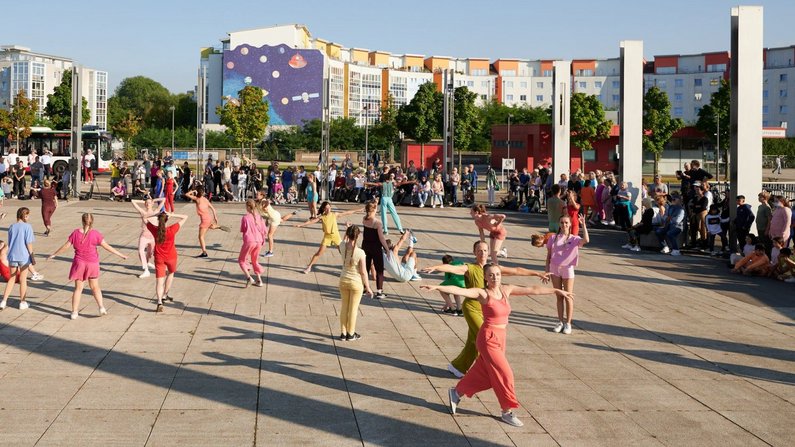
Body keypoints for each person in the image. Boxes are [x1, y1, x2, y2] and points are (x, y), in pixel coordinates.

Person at [421, 265, 573, 427]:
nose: (495, 278)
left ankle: (456, 392)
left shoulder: (506, 290)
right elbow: (461, 291)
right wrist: (438, 286)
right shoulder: (483, 294)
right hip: (488, 338)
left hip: (501, 337)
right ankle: (506, 411)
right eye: (491, 275)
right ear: (485, 277)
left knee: (485, 374)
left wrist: (556, 291)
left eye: (498, 274)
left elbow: (532, 289)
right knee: (505, 374)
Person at [421, 241, 550, 377]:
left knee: (473, 341)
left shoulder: (493, 269)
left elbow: (517, 270)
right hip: (471, 308)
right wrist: (436, 268)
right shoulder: (469, 268)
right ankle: (488, 371)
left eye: (484, 250)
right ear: (474, 252)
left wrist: (536, 273)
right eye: (479, 250)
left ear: (488, 252)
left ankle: (457, 367)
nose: (482, 253)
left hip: (487, 311)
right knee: (485, 340)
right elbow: (453, 269)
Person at [47, 213, 127, 320]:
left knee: (78, 289)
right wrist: (120, 255)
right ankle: (101, 307)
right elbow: (107, 246)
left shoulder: (75, 233)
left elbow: (66, 246)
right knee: (95, 287)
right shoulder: (95, 234)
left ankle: (74, 312)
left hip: (79, 263)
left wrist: (54, 254)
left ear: (82, 221)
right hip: (93, 263)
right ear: (92, 221)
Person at [545, 214, 589, 335]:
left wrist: (583, 225)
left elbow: (586, 240)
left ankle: (568, 323)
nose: (564, 225)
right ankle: (560, 321)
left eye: (566, 223)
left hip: (568, 269)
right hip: (554, 268)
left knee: (568, 296)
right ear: (559, 224)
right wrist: (546, 270)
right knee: (559, 296)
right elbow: (548, 255)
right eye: (562, 223)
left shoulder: (574, 239)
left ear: (570, 224)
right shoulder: (553, 238)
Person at [296, 202, 362, 274]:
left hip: (335, 236)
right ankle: (309, 267)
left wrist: (358, 210)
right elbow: (312, 221)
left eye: (329, 208)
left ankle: (350, 267)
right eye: (326, 208)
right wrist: (301, 225)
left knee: (343, 252)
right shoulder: (322, 217)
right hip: (327, 237)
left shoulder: (334, 214)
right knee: (319, 253)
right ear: (324, 209)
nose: (328, 209)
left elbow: (347, 212)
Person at [146, 212, 189, 312]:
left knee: (159, 281)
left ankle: (159, 302)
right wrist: (171, 214)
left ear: (158, 219)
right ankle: (165, 294)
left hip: (159, 258)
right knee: (170, 274)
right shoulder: (171, 229)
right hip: (171, 256)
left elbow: (144, 217)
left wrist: (156, 214)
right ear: (166, 220)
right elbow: (185, 216)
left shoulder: (154, 230)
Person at [338, 225, 373, 341]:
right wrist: (367, 287)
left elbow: (342, 242)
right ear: (358, 236)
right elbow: (363, 272)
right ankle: (351, 333)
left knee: (344, 307)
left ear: (347, 235)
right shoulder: (360, 252)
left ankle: (343, 333)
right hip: (356, 283)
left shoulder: (342, 246)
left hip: (343, 280)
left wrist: (347, 231)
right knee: (353, 309)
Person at [0, 208, 36, 310]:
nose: (28, 218)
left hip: (12, 255)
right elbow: (28, 243)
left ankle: (4, 301)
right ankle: (22, 302)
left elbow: (11, 241)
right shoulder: (27, 227)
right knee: (23, 279)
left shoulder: (12, 227)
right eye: (27, 216)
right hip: (23, 256)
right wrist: (31, 255)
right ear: (24, 216)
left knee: (12, 278)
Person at [185, 186, 230, 258]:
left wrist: (193, 191)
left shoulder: (197, 199)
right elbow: (213, 208)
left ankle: (204, 252)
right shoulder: (205, 199)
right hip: (209, 218)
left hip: (204, 220)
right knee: (209, 226)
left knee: (201, 237)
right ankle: (217, 226)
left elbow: (186, 194)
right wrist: (215, 217)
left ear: (197, 192)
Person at [360, 200, 390, 299]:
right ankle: (379, 292)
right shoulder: (377, 223)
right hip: (375, 247)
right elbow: (381, 238)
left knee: (366, 267)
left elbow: (371, 209)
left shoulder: (364, 219)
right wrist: (387, 249)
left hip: (365, 246)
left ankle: (364, 289)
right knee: (379, 269)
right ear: (374, 210)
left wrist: (375, 203)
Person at [256, 192, 299, 257]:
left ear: (262, 195)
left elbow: (266, 203)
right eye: (256, 194)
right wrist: (267, 220)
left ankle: (270, 252)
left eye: (258, 194)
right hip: (275, 214)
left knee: (270, 235)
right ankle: (293, 213)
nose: (256, 195)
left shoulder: (263, 201)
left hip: (274, 218)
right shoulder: (260, 201)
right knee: (282, 220)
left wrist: (265, 206)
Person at [132, 198, 166, 278]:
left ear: (152, 204)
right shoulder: (143, 212)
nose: (148, 204)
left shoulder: (156, 211)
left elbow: (163, 199)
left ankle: (147, 263)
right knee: (140, 251)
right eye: (146, 203)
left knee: (150, 253)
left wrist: (154, 200)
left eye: (149, 203)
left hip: (153, 237)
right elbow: (133, 201)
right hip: (144, 235)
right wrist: (143, 201)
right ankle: (146, 270)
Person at [239, 199, 267, 287]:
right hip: (259, 241)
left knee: (242, 260)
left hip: (249, 241)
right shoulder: (260, 217)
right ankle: (259, 280)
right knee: (255, 260)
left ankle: (249, 277)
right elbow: (264, 230)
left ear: (248, 207)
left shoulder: (245, 217)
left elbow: (243, 230)